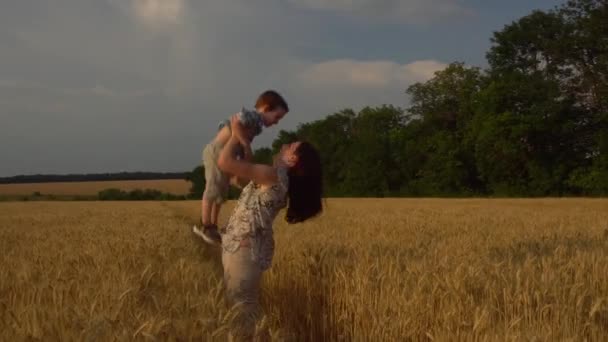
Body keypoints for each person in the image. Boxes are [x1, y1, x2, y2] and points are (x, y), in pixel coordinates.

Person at [217, 115, 323, 339]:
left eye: (290, 146)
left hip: (243, 252)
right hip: (241, 250)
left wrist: (236, 134)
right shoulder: (274, 177)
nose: (284, 145)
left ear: (293, 159)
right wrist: (244, 143)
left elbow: (225, 163)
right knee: (242, 311)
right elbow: (240, 179)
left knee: (242, 312)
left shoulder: (273, 175)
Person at [192, 90, 289, 245]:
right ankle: (205, 224)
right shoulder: (252, 117)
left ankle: (213, 226)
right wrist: (244, 143)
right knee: (213, 188)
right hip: (217, 151)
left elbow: (226, 125)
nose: (276, 122)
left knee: (221, 192)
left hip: (227, 153)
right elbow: (234, 123)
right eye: (277, 117)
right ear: (265, 107)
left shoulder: (257, 126)